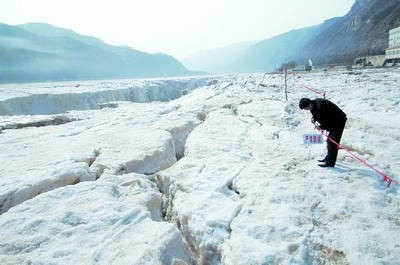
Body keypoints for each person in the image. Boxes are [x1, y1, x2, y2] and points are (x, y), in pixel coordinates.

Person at [299, 98, 347, 167]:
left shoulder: (320, 107)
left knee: (332, 142)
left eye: (306, 108)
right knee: (329, 141)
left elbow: (327, 121)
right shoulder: (313, 105)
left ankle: (330, 163)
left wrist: (321, 127)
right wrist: (314, 119)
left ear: (309, 104)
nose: (306, 110)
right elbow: (316, 115)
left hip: (339, 120)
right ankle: (328, 158)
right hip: (333, 120)